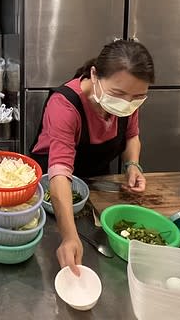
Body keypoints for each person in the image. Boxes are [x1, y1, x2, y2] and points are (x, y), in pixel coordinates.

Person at [31, 39, 154, 274]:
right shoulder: (65, 106)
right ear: (95, 75)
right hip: (52, 186)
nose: (127, 104)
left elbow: (132, 135)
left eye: (137, 97)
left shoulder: (129, 99)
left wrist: (132, 165)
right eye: (118, 94)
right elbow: (59, 171)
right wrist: (69, 237)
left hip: (95, 185)